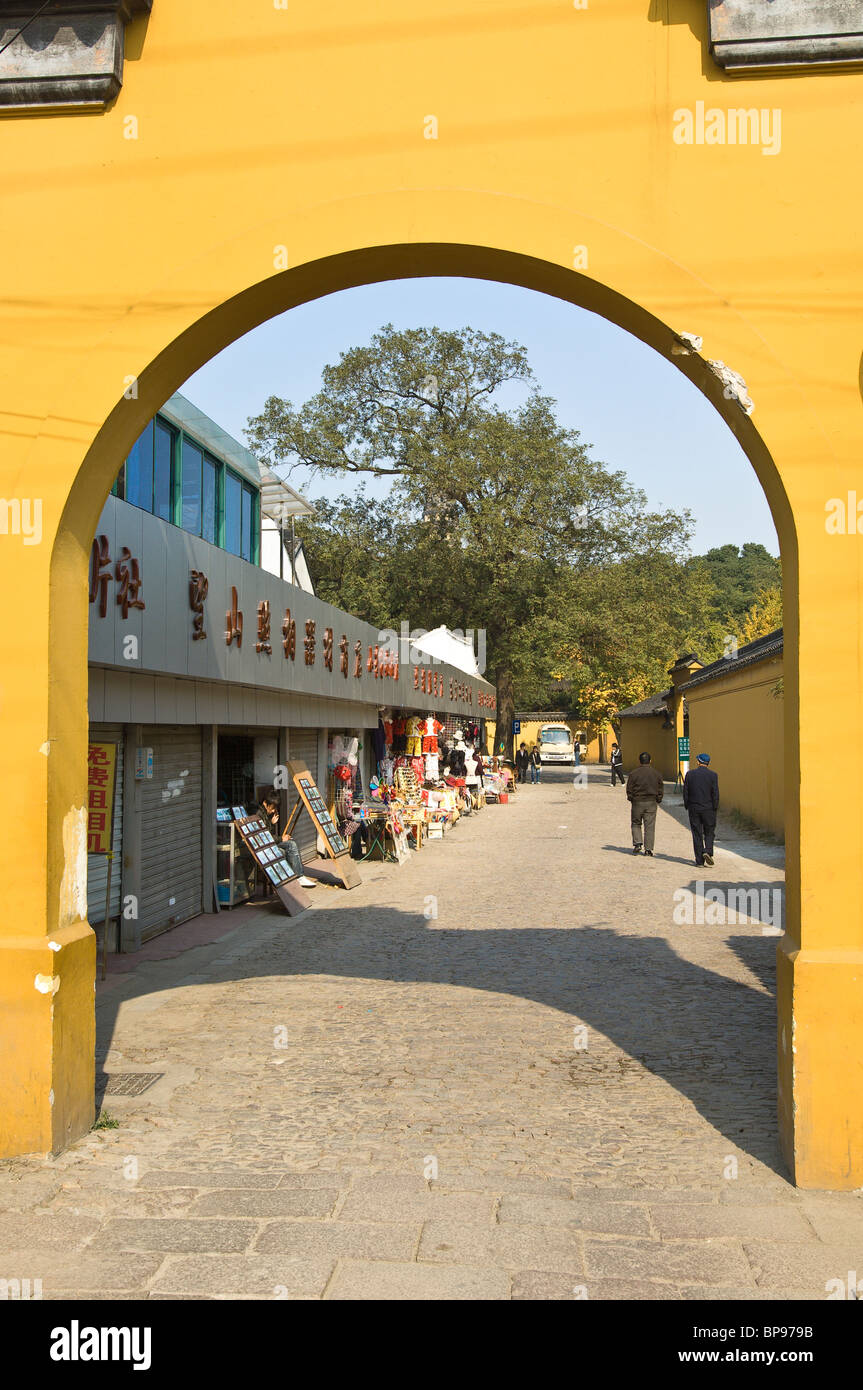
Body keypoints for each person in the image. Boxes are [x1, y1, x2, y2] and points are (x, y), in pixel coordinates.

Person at [258, 789, 317, 888]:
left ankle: (299, 876)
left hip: (270, 843)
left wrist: (271, 823)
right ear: (265, 803)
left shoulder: (266, 814)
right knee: (282, 850)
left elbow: (267, 832)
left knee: (291, 844)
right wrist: (281, 839)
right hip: (264, 846)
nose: (273, 811)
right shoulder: (258, 815)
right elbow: (264, 838)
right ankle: (290, 877)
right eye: (272, 808)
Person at [683, 752, 720, 867]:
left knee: (697, 833)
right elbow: (715, 793)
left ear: (698, 761)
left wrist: (687, 805)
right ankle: (707, 850)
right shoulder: (713, 775)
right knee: (709, 831)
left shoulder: (690, 774)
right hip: (708, 808)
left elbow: (686, 792)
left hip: (694, 808)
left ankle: (699, 860)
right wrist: (715, 807)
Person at [625, 751, 664, 856]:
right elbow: (660, 788)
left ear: (640, 761)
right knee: (650, 826)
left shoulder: (634, 773)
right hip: (651, 801)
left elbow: (629, 788)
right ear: (650, 761)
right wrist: (658, 799)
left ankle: (637, 843)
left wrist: (631, 798)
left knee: (636, 823)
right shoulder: (656, 773)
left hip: (637, 801)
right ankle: (648, 849)